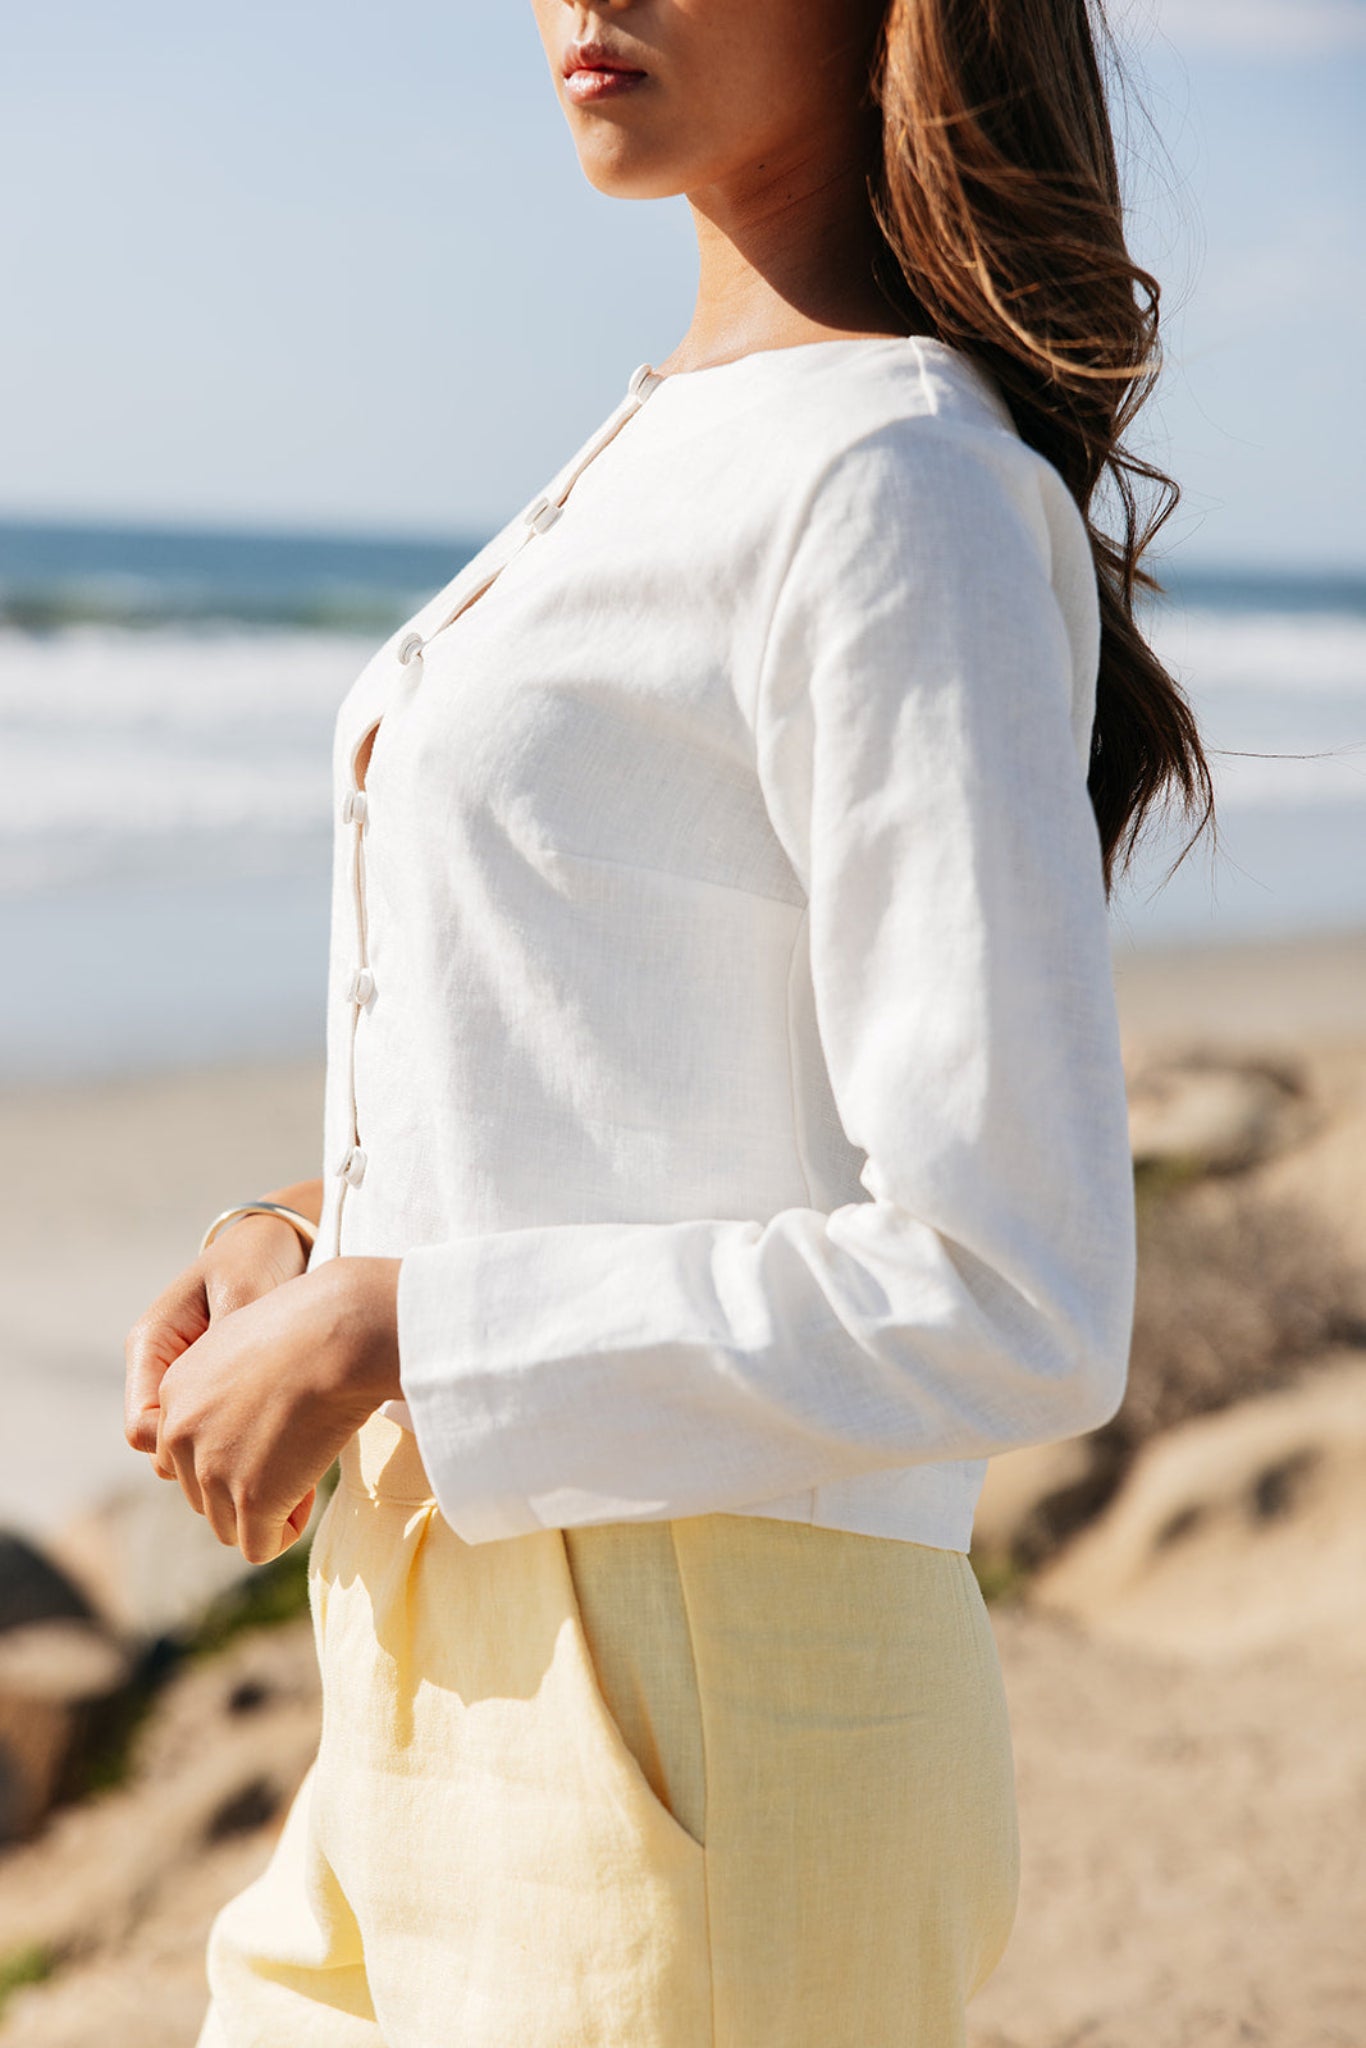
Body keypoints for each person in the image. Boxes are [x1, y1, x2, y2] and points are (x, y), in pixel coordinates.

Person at [124, 1, 1213, 2042]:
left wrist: (393, 1326)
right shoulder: (684, 443)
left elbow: (1017, 1286)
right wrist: (300, 1237)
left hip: (706, 1718)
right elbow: (655, 1077)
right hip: (428, 1667)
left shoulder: (900, 484)